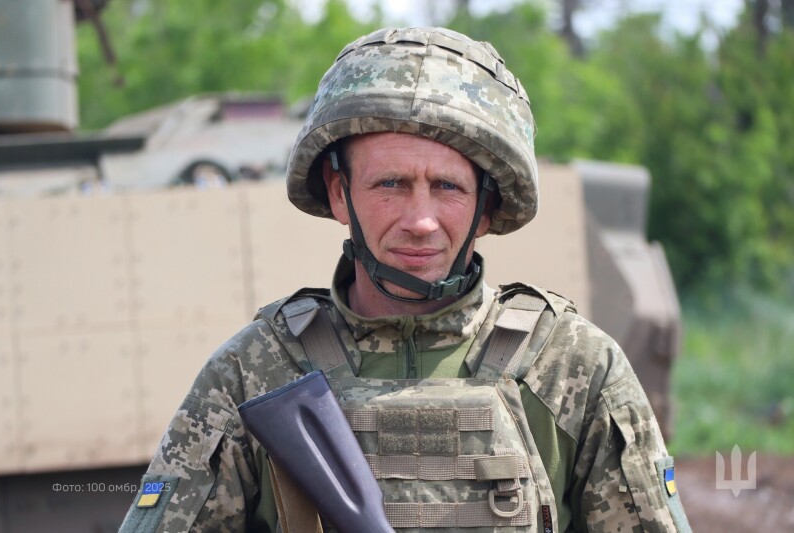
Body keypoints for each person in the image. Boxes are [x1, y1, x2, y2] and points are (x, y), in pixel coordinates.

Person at [119, 27, 691, 533]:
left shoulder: (571, 367)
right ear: (340, 194)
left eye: (447, 187)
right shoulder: (255, 373)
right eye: (390, 184)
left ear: (487, 208)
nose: (420, 221)